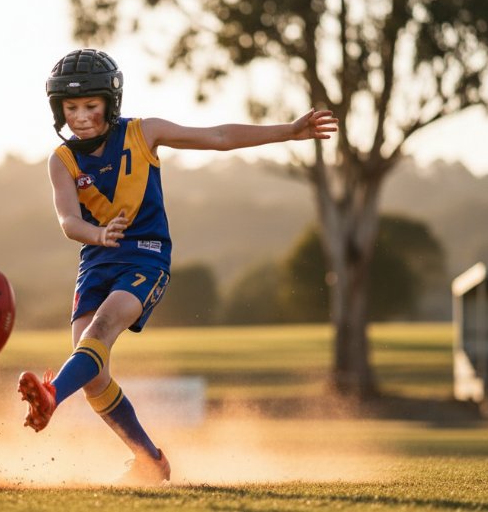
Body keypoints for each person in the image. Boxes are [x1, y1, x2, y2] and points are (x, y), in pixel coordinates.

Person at [17, 48, 338, 486]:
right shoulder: (62, 161)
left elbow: (219, 136)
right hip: (96, 260)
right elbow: (68, 221)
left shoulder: (144, 133)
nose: (82, 116)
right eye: (71, 108)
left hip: (146, 255)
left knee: (99, 333)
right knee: (94, 374)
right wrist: (99, 236)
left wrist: (289, 131)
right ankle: (150, 460)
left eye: (91, 105)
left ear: (111, 103)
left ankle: (52, 396)